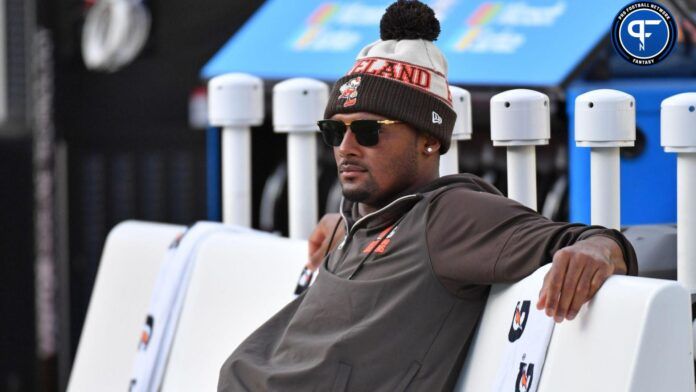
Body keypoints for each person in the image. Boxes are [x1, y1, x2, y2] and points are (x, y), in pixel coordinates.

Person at [218, 1, 637, 391]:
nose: (345, 146)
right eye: (334, 130)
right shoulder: (363, 217)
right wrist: (346, 227)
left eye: (368, 131)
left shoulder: (450, 215)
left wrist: (601, 249)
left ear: (429, 141)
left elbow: (581, 240)